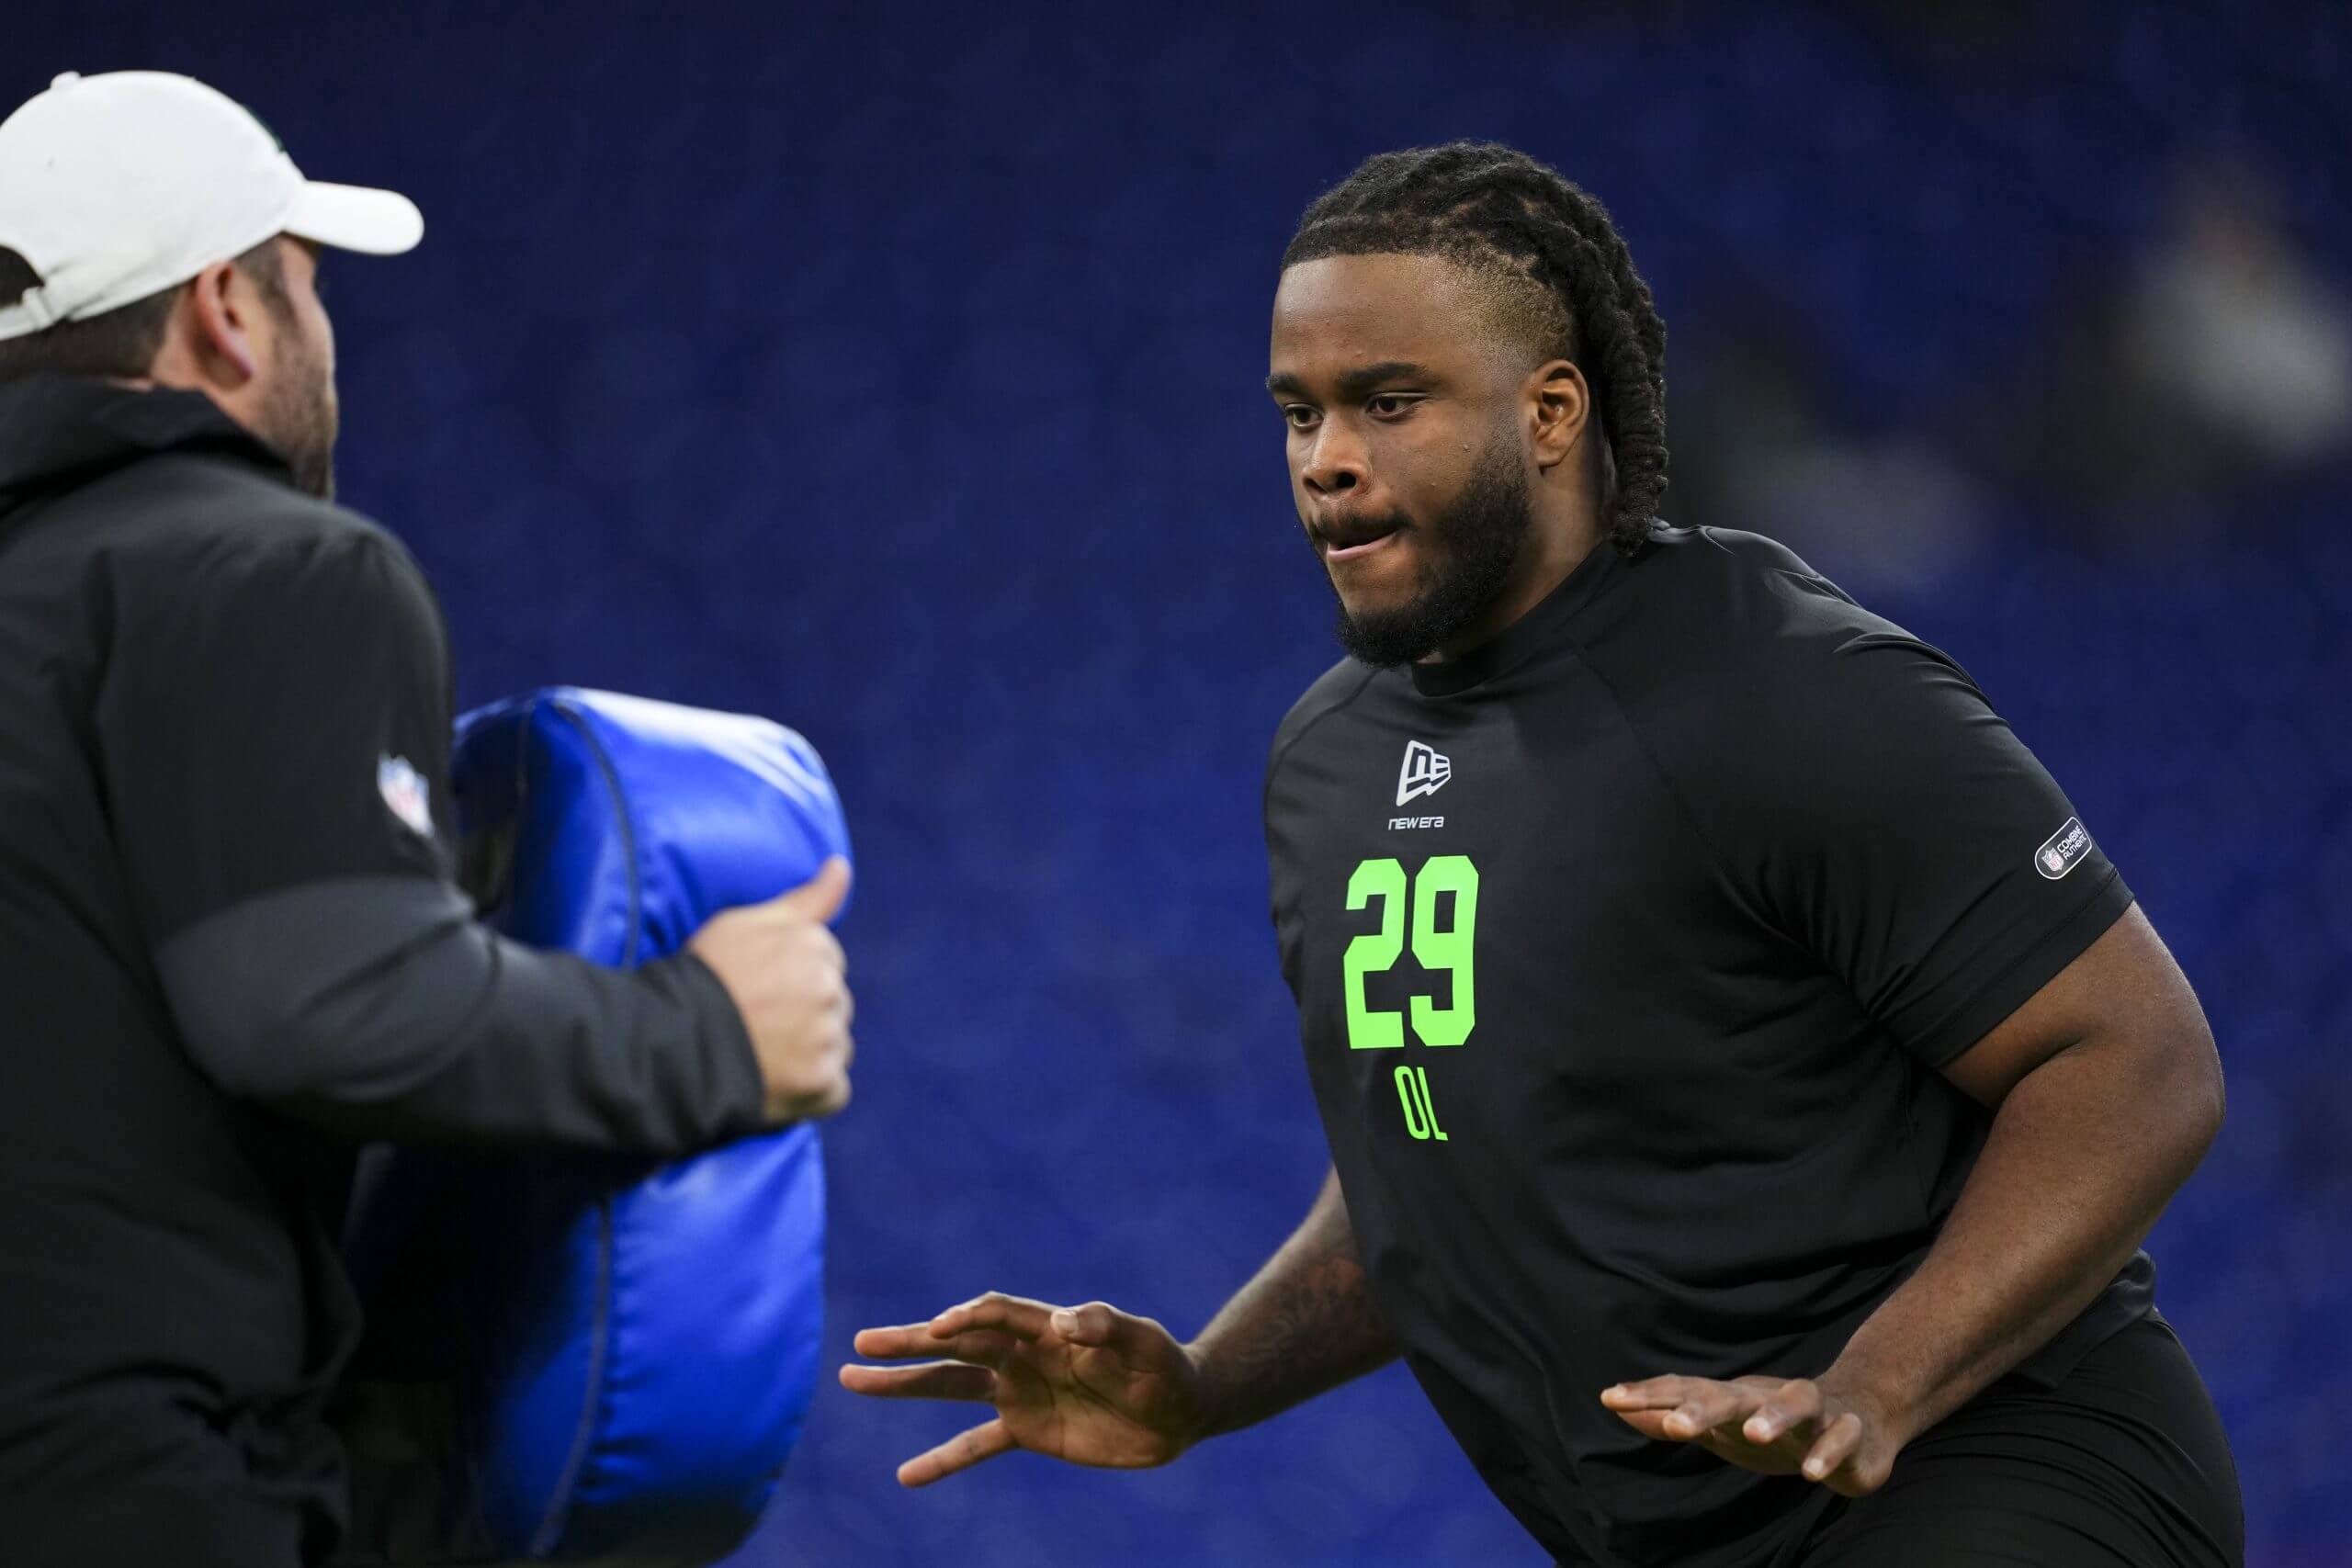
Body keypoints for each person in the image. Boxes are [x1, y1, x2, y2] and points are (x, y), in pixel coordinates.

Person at [843, 142, 2243, 1568]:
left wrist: (1879, 1383)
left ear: (1553, 412)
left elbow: (2136, 1058)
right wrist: (1205, 1385)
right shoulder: (1326, 765)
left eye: (1389, 403)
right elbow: (1429, 1165)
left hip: (1996, 1475)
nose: (1326, 458)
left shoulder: (1784, 684)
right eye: (1299, 411)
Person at [0, 71, 854, 1568]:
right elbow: (332, 1010)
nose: (328, 339)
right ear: (228, 311)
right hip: (125, 1494)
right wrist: (712, 1034)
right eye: (311, 289)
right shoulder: (266, 565)